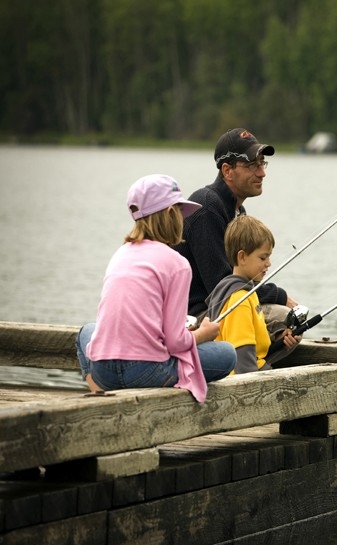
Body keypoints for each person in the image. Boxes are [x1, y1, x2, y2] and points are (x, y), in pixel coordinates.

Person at [75, 174, 237, 403]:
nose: (184, 220)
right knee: (227, 354)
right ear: (171, 214)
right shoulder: (177, 263)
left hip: (104, 370)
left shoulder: (120, 253)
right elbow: (175, 342)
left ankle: (99, 392)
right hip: (147, 372)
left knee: (87, 330)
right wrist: (203, 334)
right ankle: (111, 397)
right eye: (181, 213)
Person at [172, 128, 299, 319]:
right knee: (283, 317)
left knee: (290, 320)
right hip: (193, 316)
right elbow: (221, 285)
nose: (262, 173)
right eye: (252, 165)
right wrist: (278, 296)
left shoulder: (237, 211)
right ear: (227, 171)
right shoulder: (207, 206)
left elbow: (240, 277)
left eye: (262, 163)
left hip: (223, 306)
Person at [206, 215, 302, 373]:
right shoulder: (239, 300)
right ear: (242, 257)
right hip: (243, 380)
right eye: (263, 257)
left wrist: (280, 340)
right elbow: (242, 361)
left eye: (269, 257)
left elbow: (256, 347)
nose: (268, 263)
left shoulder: (246, 291)